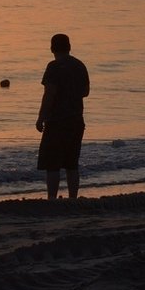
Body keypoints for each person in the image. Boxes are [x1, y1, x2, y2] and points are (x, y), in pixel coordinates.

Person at [35, 33, 90, 199]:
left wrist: (40, 117)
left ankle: (52, 199)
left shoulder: (54, 66)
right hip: (76, 120)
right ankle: (73, 198)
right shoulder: (80, 65)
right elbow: (85, 92)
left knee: (52, 164)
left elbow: (49, 94)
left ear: (52, 48)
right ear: (69, 47)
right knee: (71, 163)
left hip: (57, 121)